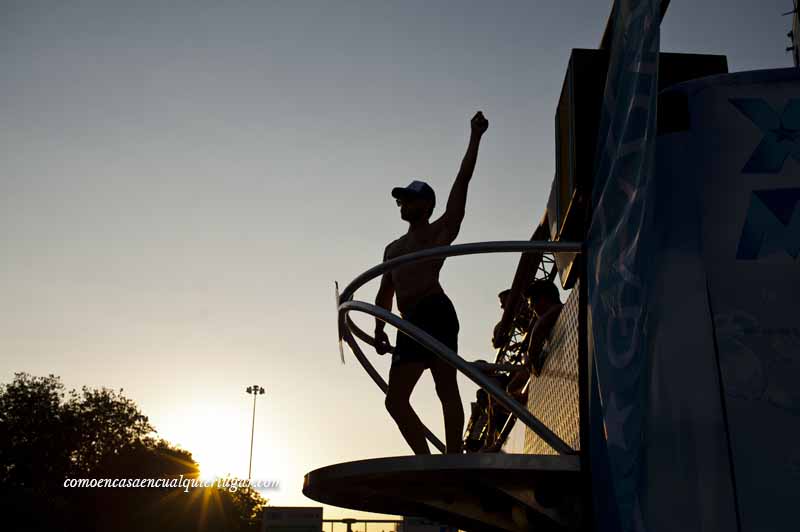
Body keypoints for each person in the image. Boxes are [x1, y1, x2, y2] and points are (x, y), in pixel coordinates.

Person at [373, 111, 489, 454]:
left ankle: (454, 457)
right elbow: (384, 293)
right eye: (401, 199)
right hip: (407, 324)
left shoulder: (440, 231)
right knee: (395, 401)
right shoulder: (393, 248)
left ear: (426, 204)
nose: (402, 203)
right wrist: (381, 328)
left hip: (436, 312)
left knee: (445, 387)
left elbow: (462, 184)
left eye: (408, 198)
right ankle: (425, 460)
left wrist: (475, 137)